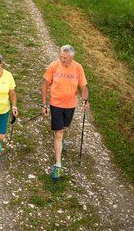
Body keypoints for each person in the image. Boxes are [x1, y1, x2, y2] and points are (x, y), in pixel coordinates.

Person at [41, 45, 88, 179]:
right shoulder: (54, 66)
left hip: (70, 105)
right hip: (55, 104)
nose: (62, 59)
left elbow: (84, 88)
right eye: (60, 56)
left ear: (72, 57)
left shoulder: (78, 68)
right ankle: (58, 164)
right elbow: (44, 84)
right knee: (59, 133)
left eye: (65, 58)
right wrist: (43, 104)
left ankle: (59, 141)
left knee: (65, 127)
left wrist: (85, 99)